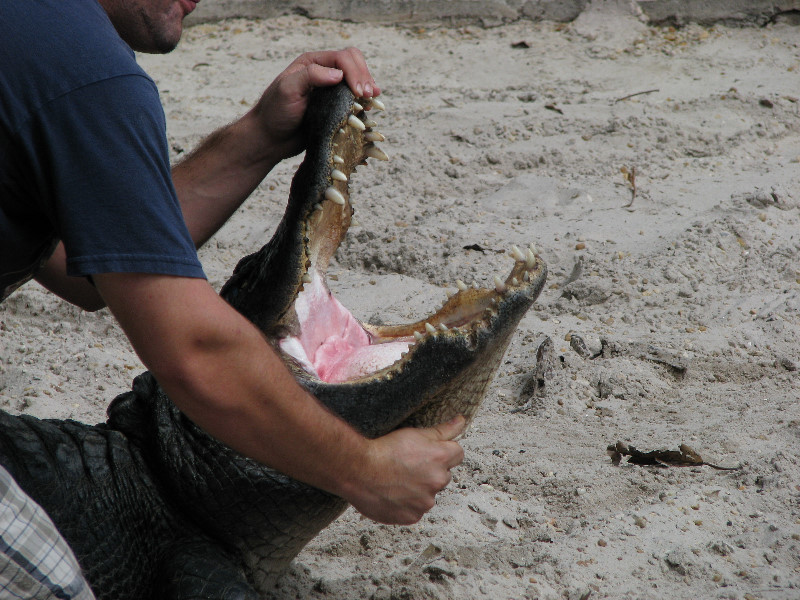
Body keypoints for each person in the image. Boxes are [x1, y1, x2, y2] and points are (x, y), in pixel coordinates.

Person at [0, 0, 465, 596]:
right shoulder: (89, 69)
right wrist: (366, 471)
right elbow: (193, 351)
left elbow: (74, 263)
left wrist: (256, 137)